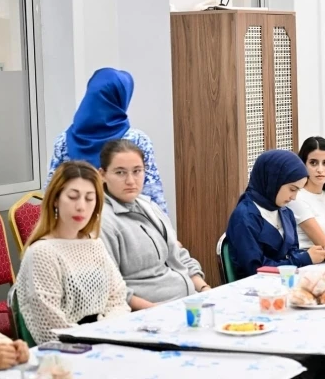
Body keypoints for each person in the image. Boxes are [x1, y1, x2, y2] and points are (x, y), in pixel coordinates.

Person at [15, 161, 130, 344]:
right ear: (55, 199)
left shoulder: (94, 244)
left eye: (89, 198)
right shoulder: (41, 253)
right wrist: (99, 338)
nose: (81, 206)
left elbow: (117, 299)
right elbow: (50, 328)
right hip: (69, 350)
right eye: (73, 197)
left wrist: (108, 331)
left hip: (106, 338)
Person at [98, 140, 209, 311]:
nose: (130, 180)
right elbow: (109, 287)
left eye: (137, 171)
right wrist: (154, 310)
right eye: (120, 172)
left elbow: (178, 256)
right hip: (150, 313)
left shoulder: (149, 205)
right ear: (102, 175)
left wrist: (204, 289)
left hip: (188, 302)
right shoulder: (103, 221)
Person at [45, 68, 168, 214]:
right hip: (126, 222)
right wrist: (164, 226)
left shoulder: (64, 140)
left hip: (77, 220)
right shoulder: (136, 140)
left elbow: (51, 192)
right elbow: (153, 195)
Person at [226, 150, 325, 279]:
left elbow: (291, 253)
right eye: (292, 189)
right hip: (258, 287)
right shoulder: (245, 217)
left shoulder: (285, 212)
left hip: (286, 282)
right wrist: (303, 259)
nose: (294, 197)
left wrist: (320, 255)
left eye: (298, 191)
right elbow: (256, 270)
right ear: (273, 181)